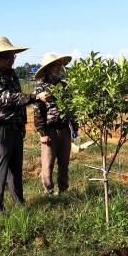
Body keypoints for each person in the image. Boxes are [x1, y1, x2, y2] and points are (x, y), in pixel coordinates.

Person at [0, 36, 51, 213]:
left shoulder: (11, 74)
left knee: (15, 168)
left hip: (14, 127)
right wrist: (35, 97)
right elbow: (6, 98)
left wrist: (22, 124)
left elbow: (18, 102)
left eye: (13, 56)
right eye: (8, 57)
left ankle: (19, 203)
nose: (11, 60)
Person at [33, 53, 78, 195]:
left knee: (64, 163)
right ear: (47, 68)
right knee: (48, 164)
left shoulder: (65, 86)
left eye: (59, 65)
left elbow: (72, 108)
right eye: (54, 65)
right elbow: (38, 111)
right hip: (49, 130)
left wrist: (75, 129)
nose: (58, 68)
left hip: (64, 129)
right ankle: (49, 192)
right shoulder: (41, 88)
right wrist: (42, 133)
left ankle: (63, 191)